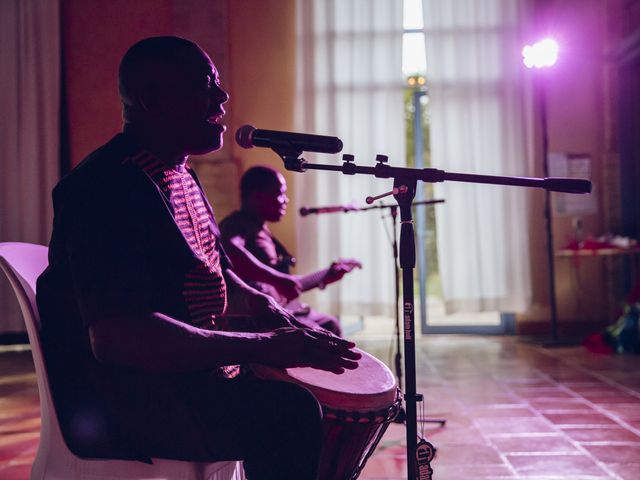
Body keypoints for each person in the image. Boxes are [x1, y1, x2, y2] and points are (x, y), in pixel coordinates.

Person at [36, 36, 360, 480]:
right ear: (154, 100)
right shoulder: (104, 190)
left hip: (179, 381)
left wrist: (260, 307)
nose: (223, 97)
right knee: (291, 412)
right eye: (206, 85)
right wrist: (267, 345)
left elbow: (218, 269)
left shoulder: (178, 172)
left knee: (292, 388)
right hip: (127, 400)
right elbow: (119, 337)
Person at [220, 166, 361, 336]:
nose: (285, 200)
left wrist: (323, 277)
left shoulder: (260, 229)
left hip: (280, 308)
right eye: (280, 194)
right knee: (322, 332)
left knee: (330, 323)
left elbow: (277, 286)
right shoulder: (236, 224)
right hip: (258, 317)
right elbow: (228, 249)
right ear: (257, 196)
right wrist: (277, 279)